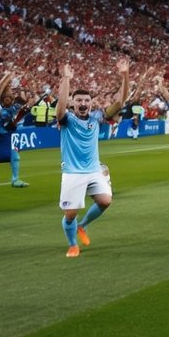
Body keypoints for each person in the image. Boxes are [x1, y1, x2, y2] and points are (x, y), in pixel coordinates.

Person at [55, 59, 129, 257]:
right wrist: (66, 79)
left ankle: (82, 226)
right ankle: (73, 244)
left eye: (86, 101)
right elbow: (59, 110)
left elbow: (120, 102)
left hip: (94, 169)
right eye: (78, 100)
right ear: (73, 102)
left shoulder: (97, 117)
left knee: (105, 201)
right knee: (69, 214)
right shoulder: (67, 119)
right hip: (72, 171)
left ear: (91, 103)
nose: (83, 103)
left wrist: (124, 76)